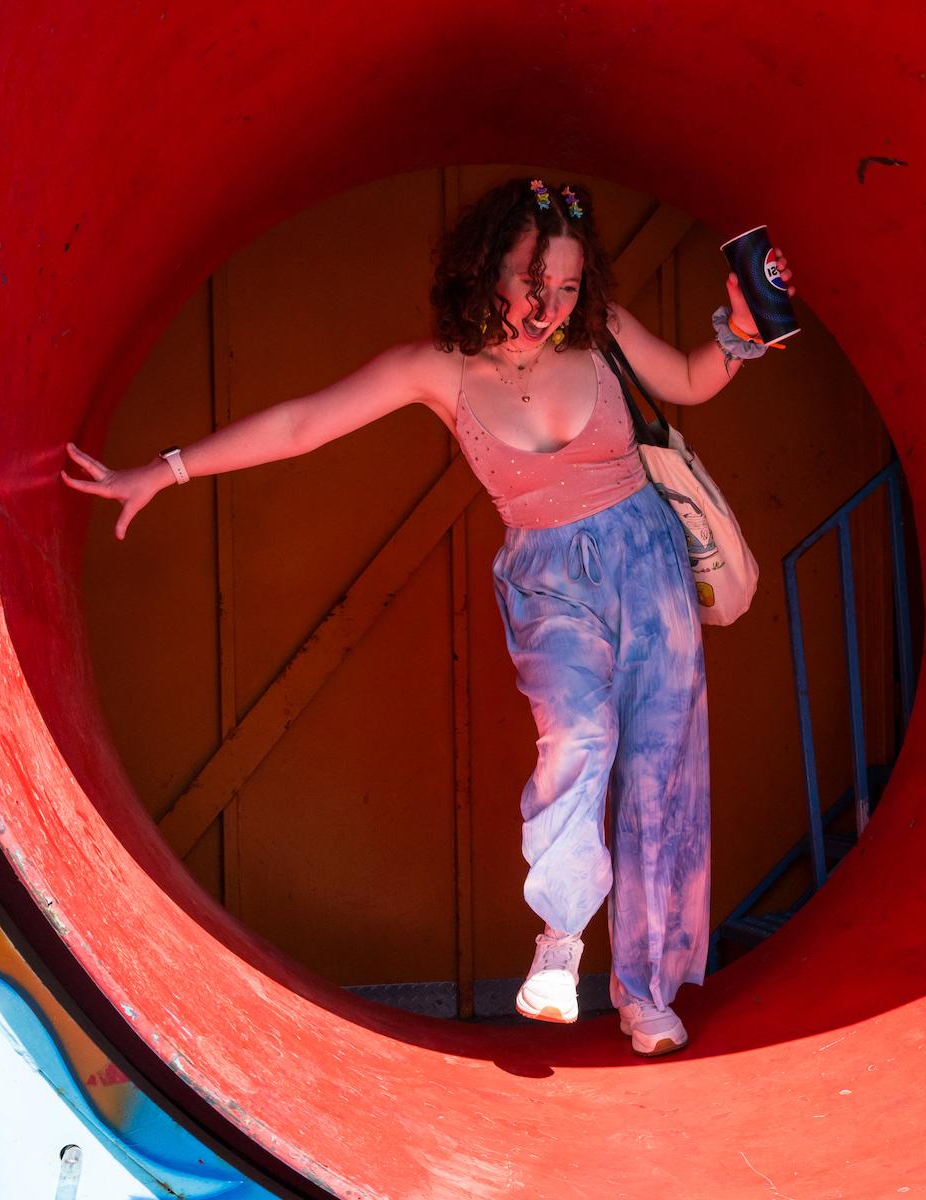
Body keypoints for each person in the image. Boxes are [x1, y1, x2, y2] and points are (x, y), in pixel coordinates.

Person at [62, 177, 794, 1057]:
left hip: (650, 562)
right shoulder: (436, 369)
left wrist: (743, 334)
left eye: (564, 287)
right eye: (531, 282)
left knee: (659, 771)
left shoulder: (600, 332)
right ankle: (560, 941)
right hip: (549, 578)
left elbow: (686, 379)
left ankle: (644, 991)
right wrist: (166, 470)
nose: (547, 306)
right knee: (580, 741)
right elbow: (302, 423)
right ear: (487, 269)